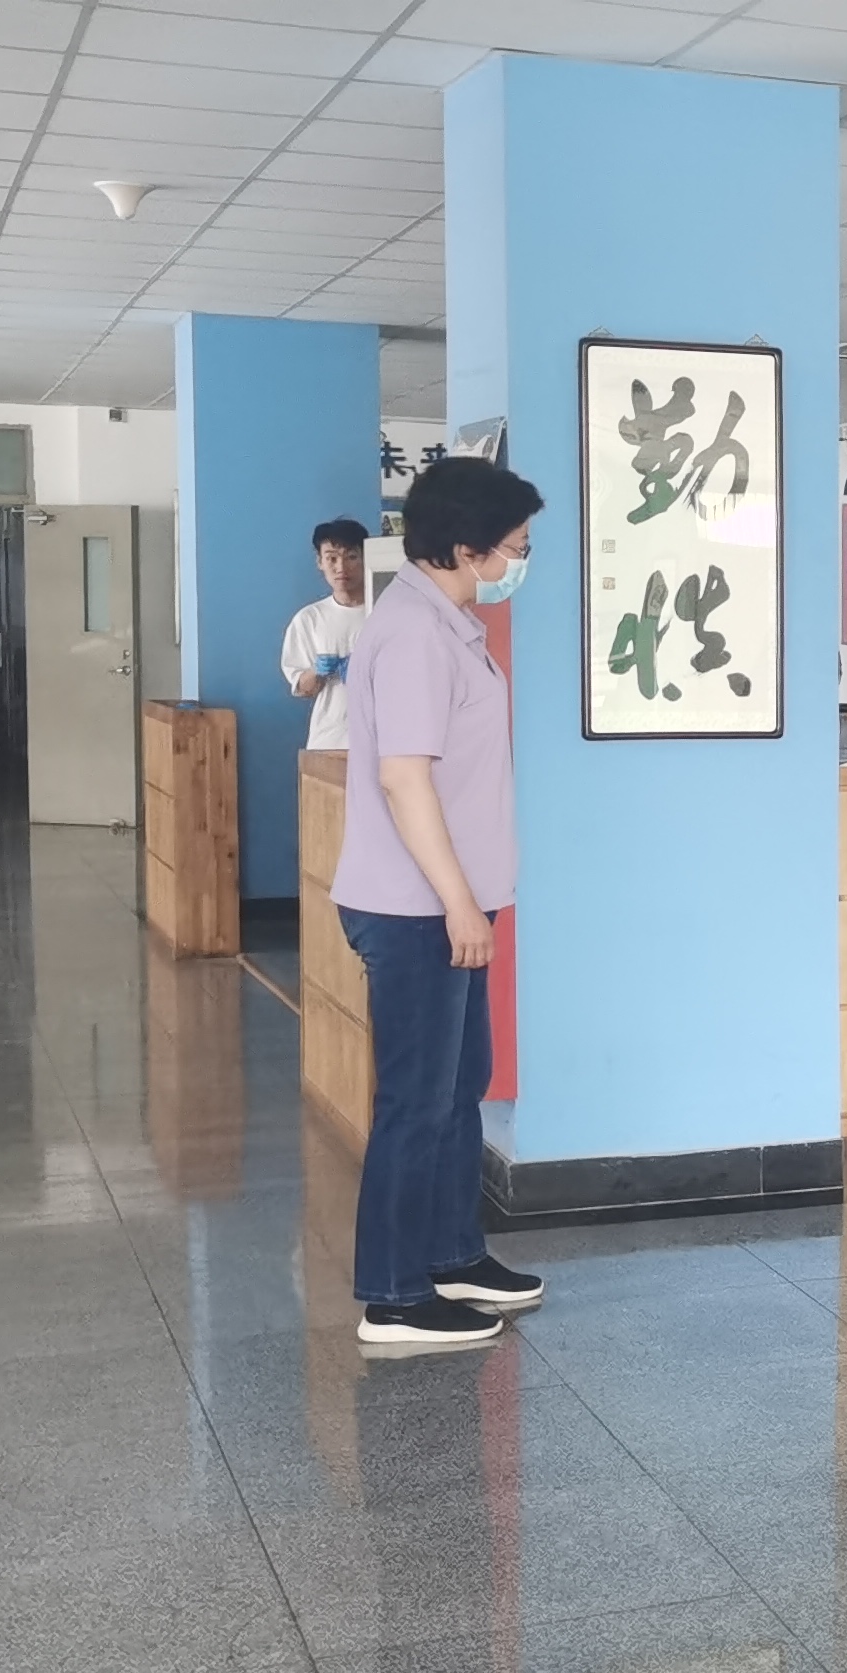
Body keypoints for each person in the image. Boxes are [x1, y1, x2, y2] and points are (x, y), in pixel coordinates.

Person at [330, 457, 548, 1347]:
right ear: (465, 548)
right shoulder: (416, 633)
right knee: (416, 1103)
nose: (520, 562)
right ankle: (392, 1294)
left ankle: (452, 1256)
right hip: (418, 908)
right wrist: (459, 904)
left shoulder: (449, 624)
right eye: (515, 547)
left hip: (451, 902)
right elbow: (404, 779)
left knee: (459, 1091)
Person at [279, 517, 374, 751]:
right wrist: (317, 671)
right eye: (331, 558)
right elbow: (302, 688)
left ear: (366, 559)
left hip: (383, 739)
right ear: (319, 562)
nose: (341, 567)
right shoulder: (309, 619)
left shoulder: (385, 614)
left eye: (351, 557)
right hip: (330, 739)